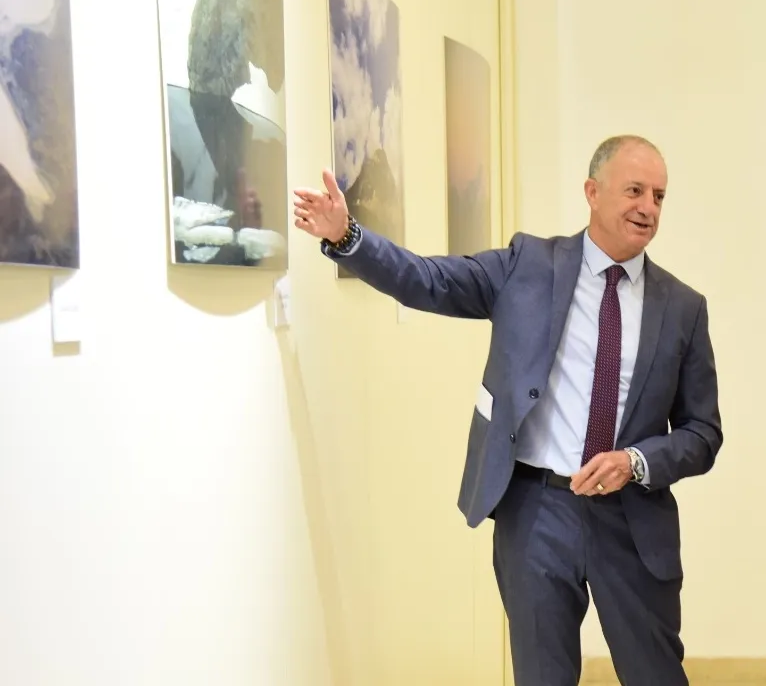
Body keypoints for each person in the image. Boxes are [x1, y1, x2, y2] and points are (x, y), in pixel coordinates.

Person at [291, 135, 722, 686]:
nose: (648, 208)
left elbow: (702, 433)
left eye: (659, 196)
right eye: (634, 190)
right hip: (537, 511)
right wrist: (347, 236)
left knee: (655, 674)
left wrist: (636, 461)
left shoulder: (683, 308)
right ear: (592, 192)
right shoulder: (528, 265)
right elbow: (428, 281)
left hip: (632, 519)